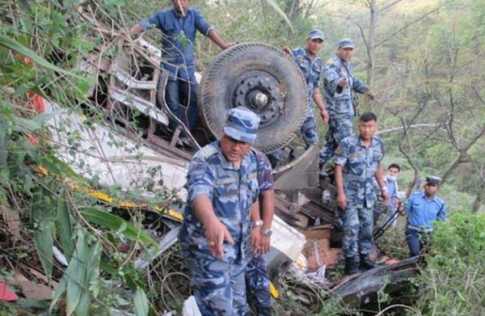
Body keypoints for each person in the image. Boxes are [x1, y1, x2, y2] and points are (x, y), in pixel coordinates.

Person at [179, 107, 273, 315]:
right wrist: (211, 221)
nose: (235, 147)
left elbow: (252, 197)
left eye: (243, 143)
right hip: (209, 252)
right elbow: (199, 194)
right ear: (224, 132)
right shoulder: (205, 160)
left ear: (251, 142)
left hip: (238, 253)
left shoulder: (250, 162)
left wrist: (258, 225)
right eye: (231, 139)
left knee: (240, 308)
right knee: (221, 311)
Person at [130, 0, 232, 132]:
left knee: (196, 99)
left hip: (187, 69)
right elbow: (144, 24)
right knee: (171, 102)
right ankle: (175, 131)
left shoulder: (194, 15)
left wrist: (223, 45)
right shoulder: (163, 16)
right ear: (172, 2)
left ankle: (186, 131)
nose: (180, 3)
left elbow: (208, 29)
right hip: (169, 69)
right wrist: (129, 33)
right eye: (177, 0)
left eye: (184, 0)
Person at [334, 112, 388, 275]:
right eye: (363, 126)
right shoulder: (348, 143)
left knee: (367, 229)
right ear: (359, 126)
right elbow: (338, 168)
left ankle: (365, 260)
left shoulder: (378, 144)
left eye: (370, 126)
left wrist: (383, 188)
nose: (366, 130)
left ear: (375, 127)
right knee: (351, 228)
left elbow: (377, 166)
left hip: (368, 196)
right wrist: (341, 193)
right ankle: (351, 265)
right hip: (350, 194)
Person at [269, 29, 329, 166]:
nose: (316, 44)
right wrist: (284, 57)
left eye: (319, 42)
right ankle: (270, 170)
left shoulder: (319, 63)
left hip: (305, 107)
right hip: (288, 104)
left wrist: (323, 109)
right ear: (308, 41)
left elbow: (315, 89)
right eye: (314, 40)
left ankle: (310, 172)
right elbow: (280, 73)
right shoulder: (296, 54)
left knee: (313, 141)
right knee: (280, 139)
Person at [320, 39, 375, 170]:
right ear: (338, 49)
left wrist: (365, 89)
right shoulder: (332, 64)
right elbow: (332, 80)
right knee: (347, 142)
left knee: (332, 144)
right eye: (345, 49)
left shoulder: (346, 65)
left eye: (350, 50)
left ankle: (317, 167)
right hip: (338, 112)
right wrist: (339, 83)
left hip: (345, 111)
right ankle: (343, 170)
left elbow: (353, 81)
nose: (348, 52)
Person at [403, 176, 447, 257]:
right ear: (424, 186)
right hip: (413, 231)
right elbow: (405, 210)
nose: (429, 187)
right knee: (415, 253)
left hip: (428, 234)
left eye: (432, 186)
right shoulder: (414, 198)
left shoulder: (440, 203)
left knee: (425, 256)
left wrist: (437, 234)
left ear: (437, 188)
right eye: (428, 185)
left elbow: (441, 220)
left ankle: (412, 268)